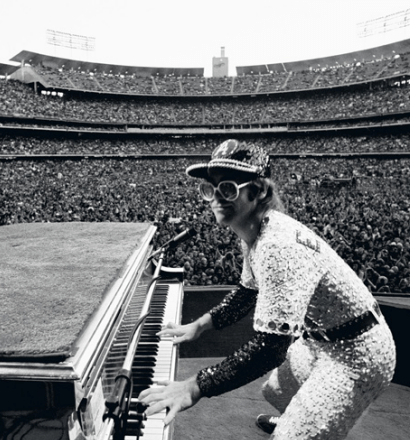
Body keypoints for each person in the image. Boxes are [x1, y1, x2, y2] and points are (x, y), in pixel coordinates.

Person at [139, 139, 396, 439]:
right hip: (320, 341)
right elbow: (246, 292)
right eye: (211, 189)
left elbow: (270, 349)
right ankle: (302, 419)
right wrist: (199, 326)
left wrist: (196, 385)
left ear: (257, 191)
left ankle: (304, 428)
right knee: (275, 390)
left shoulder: (277, 245)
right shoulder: (256, 230)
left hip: (359, 353)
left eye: (228, 189)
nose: (215, 200)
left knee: (291, 435)